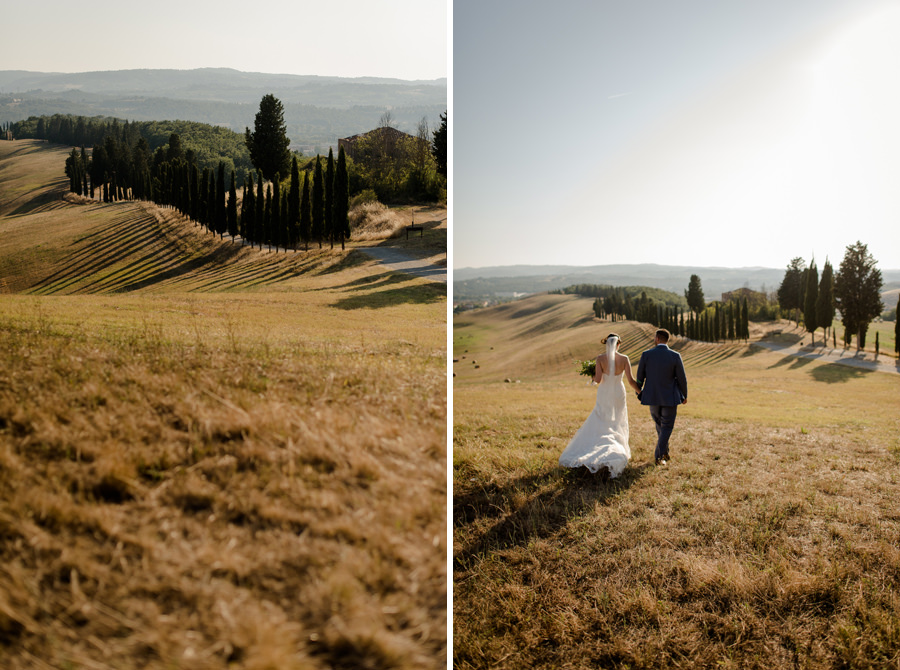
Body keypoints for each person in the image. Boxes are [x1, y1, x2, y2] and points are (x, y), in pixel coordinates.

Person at [559, 334, 642, 478]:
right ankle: (617, 449)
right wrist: (641, 392)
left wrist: (592, 376)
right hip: (618, 393)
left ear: (606, 344)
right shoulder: (624, 359)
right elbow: (630, 380)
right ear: (618, 344)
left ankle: (599, 447)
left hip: (604, 392)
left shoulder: (600, 359)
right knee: (617, 420)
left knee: (602, 419)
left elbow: (597, 380)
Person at [635, 328, 688, 466]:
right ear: (666, 340)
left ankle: (662, 453)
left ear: (657, 338)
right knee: (666, 426)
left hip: (652, 397)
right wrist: (684, 395)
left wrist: (639, 392)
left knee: (660, 425)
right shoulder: (675, 356)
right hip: (670, 397)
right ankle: (660, 455)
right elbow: (682, 379)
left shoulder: (646, 354)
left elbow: (640, 377)